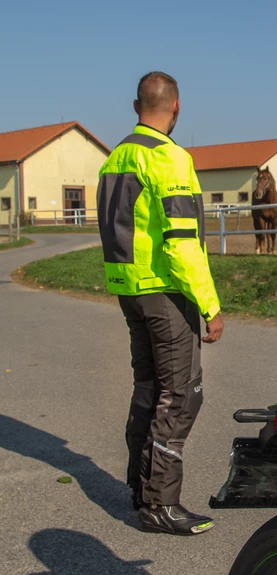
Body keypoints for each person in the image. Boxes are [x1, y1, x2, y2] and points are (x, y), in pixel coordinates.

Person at [97, 71, 224, 536]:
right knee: (181, 395)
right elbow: (182, 244)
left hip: (129, 290)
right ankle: (160, 503)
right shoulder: (170, 159)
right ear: (176, 107)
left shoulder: (114, 158)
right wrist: (209, 305)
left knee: (149, 389)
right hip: (165, 291)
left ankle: (140, 488)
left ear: (136, 107)